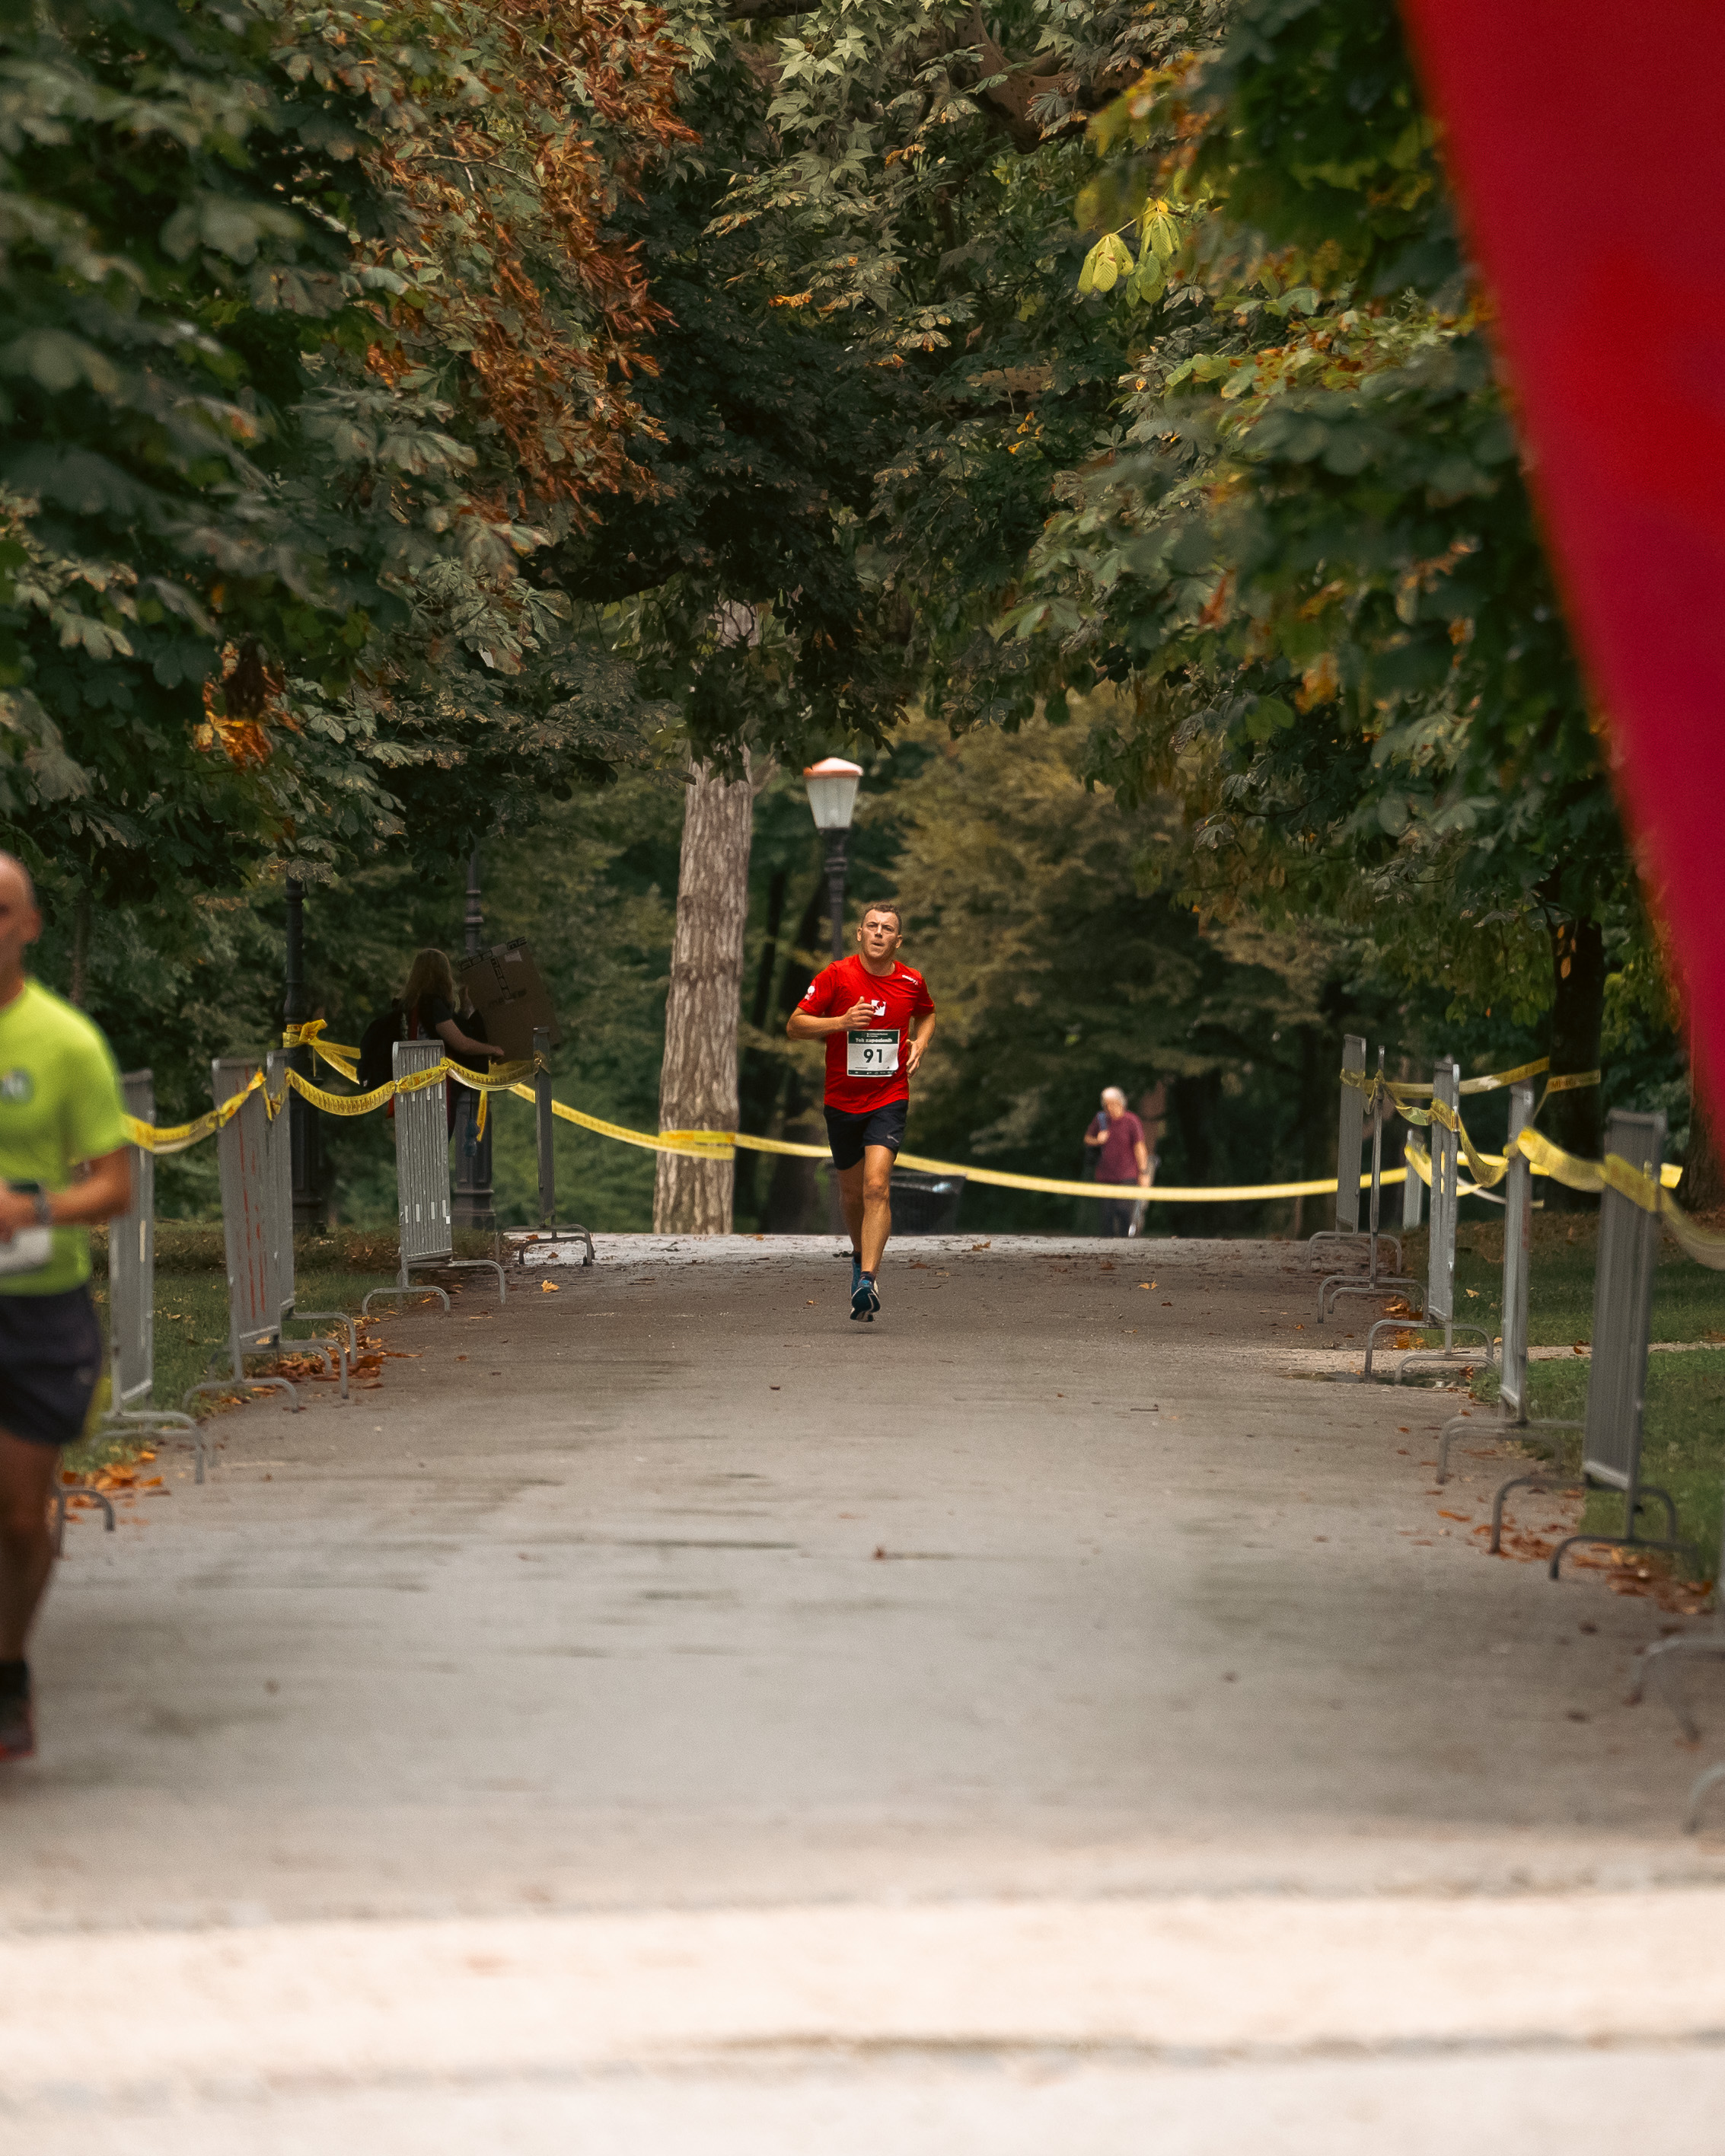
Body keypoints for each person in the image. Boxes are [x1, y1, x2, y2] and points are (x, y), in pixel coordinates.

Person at [0, 856, 133, 1763]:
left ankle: (7, 1667)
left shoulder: (66, 1042)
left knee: (17, 1516)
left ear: (30, 925)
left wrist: (32, 1209)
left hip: (37, 1306)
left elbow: (116, 1186)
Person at [787, 902, 936, 1322]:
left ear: (897, 940)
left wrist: (921, 1042)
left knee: (876, 1187)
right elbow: (795, 1025)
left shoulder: (911, 981)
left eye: (887, 928)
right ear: (859, 934)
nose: (878, 933)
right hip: (841, 1101)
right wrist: (841, 1022)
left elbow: (928, 1012)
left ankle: (869, 1280)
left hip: (889, 1097)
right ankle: (858, 1259)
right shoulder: (836, 975)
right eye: (871, 926)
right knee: (852, 1195)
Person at [399, 949, 506, 1135]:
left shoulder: (413, 1005)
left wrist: (465, 1006)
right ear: (442, 974)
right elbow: (460, 1043)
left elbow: (451, 1030)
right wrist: (492, 1049)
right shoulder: (432, 1004)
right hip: (436, 1088)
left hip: (417, 1081)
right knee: (435, 1140)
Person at [1083, 1086, 1151, 1237]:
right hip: (1105, 1176)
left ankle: (1126, 1249)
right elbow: (1087, 1139)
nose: (1110, 1108)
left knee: (1125, 1214)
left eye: (1114, 1103)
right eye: (1107, 1104)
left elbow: (1140, 1147)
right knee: (1106, 1217)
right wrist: (1097, 1140)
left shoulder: (1131, 1121)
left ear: (1122, 1103)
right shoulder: (1100, 1119)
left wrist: (1144, 1172)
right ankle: (1108, 1252)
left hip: (1127, 1176)